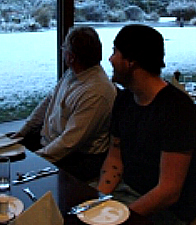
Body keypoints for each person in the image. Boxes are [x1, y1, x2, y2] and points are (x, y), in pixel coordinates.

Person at [97, 24, 196, 225]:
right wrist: (98, 201)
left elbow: (168, 192)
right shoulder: (124, 99)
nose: (110, 59)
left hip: (167, 212)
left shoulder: (177, 109)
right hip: (126, 193)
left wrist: (119, 218)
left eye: (115, 52)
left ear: (132, 60)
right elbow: (114, 159)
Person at [12, 26, 117, 181]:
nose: (63, 51)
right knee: (2, 156)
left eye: (64, 48)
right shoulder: (74, 73)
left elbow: (69, 143)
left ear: (71, 57)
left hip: (76, 159)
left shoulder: (97, 92)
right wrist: (21, 133)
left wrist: (34, 161)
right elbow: (48, 102)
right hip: (50, 145)